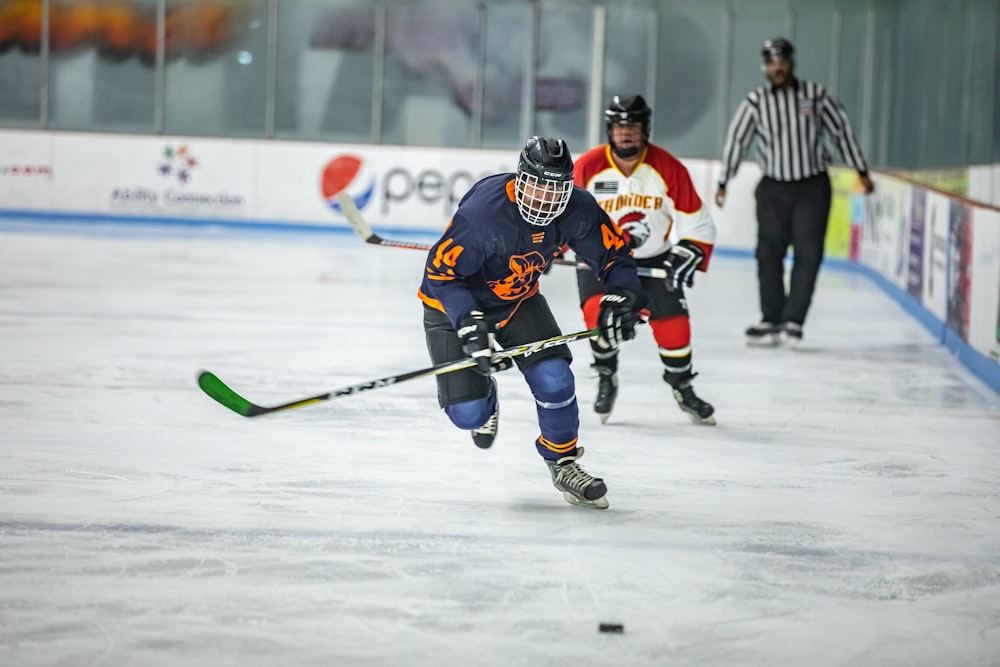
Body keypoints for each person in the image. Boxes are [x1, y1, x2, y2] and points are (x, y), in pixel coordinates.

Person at [418, 136, 646, 510]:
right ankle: (485, 396)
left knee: (555, 378)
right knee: (468, 415)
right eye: (538, 186)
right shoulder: (483, 215)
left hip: (516, 302)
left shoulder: (577, 209)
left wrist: (625, 293)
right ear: (521, 179)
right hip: (452, 307)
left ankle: (564, 463)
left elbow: (613, 254)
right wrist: (469, 325)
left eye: (555, 189)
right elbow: (441, 275)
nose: (545, 199)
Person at [716, 37, 875, 348]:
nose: (778, 67)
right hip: (773, 187)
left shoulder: (815, 96)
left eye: (783, 60)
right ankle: (771, 318)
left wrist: (861, 170)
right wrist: (724, 180)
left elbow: (842, 131)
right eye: (772, 62)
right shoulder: (756, 102)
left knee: (809, 253)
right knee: (768, 253)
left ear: (792, 62)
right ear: (765, 66)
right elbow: (738, 141)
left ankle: (793, 320)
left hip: (812, 186)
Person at [573, 94, 718, 426]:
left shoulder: (668, 167)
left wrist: (691, 247)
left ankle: (683, 386)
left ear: (645, 129)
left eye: (633, 127)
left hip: (654, 259)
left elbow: (696, 219)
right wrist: (551, 247)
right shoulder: (588, 166)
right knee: (600, 317)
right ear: (610, 129)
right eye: (619, 127)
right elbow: (567, 215)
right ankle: (607, 375)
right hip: (603, 262)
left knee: (675, 328)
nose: (626, 134)